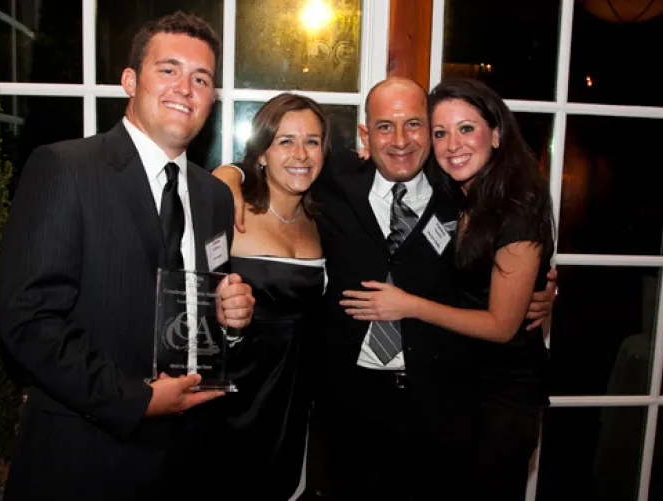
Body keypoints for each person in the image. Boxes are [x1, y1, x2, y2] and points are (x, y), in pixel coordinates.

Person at [214, 77, 556, 500]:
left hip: (438, 407)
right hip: (344, 405)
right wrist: (225, 179)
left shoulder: (460, 194)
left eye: (414, 125)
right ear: (365, 135)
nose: (399, 141)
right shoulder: (331, 178)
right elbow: (269, 160)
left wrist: (542, 289)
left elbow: (499, 261)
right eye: (384, 127)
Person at [0, 12, 254, 501]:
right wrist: (137, 401)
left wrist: (229, 317)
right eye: (169, 70)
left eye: (201, 78)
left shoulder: (214, 197)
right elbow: (27, 321)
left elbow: (199, 312)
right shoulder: (64, 168)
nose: (186, 87)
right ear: (130, 81)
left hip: (188, 459)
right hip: (84, 456)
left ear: (212, 97)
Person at [342, 78, 554, 500]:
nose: (452, 143)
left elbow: (501, 325)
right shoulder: (460, 195)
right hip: (456, 388)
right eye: (441, 132)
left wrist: (409, 305)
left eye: (466, 128)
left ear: (496, 133)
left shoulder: (517, 208)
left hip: (503, 396)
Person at [216, 93, 328, 500]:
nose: (301, 153)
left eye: (312, 141)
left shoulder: (322, 218)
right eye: (285, 141)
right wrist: (229, 173)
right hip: (233, 396)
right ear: (262, 152)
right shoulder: (230, 211)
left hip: (295, 398)